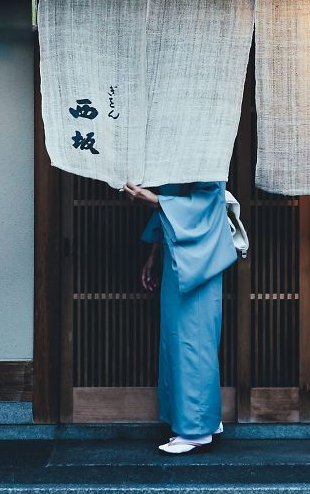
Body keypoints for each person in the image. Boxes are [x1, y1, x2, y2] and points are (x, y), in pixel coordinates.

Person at [124, 181, 237, 454]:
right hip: (176, 253)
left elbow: (206, 205)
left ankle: (197, 429)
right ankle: (204, 419)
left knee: (194, 341)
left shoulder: (206, 163)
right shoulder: (176, 163)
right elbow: (172, 207)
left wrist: (155, 201)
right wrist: (155, 255)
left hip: (198, 259)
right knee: (178, 340)